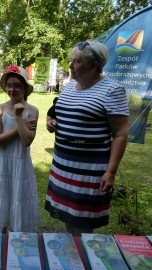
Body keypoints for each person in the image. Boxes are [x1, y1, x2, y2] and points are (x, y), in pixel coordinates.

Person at [45, 40, 129, 237]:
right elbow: (57, 112)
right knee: (67, 217)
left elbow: (120, 134)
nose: (71, 66)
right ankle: (72, 258)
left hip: (89, 172)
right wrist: (51, 121)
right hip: (63, 166)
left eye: (76, 62)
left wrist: (111, 172)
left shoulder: (112, 90)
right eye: (71, 61)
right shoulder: (68, 87)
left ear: (94, 66)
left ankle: (82, 262)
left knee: (83, 225)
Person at [0, 65, 41, 233]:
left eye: (16, 85)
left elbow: (27, 140)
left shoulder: (32, 111)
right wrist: (19, 127)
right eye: (9, 85)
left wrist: (19, 116)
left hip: (20, 162)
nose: (11, 89)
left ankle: (16, 242)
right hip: (2, 161)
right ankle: (1, 236)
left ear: (25, 89)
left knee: (17, 198)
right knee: (3, 196)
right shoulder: (0, 109)